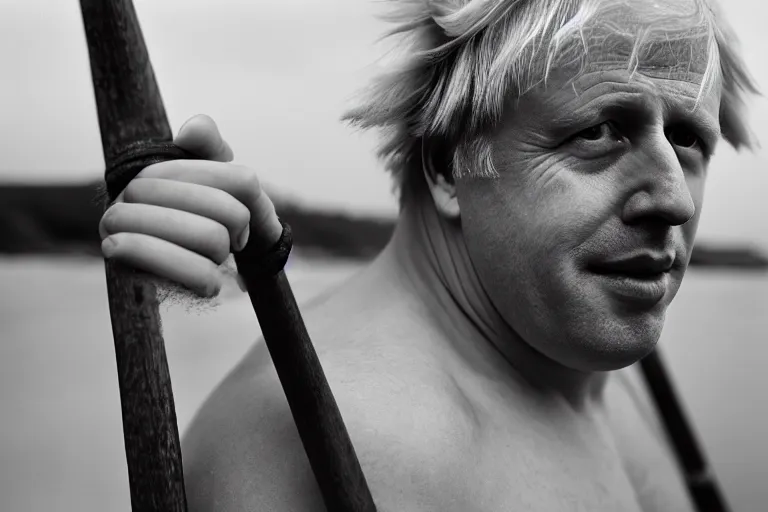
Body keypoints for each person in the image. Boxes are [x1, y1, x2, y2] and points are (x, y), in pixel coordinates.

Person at [98, 0, 757, 510]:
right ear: (449, 163)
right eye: (600, 131)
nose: (673, 198)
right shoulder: (344, 438)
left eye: (688, 138)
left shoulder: (567, 349)